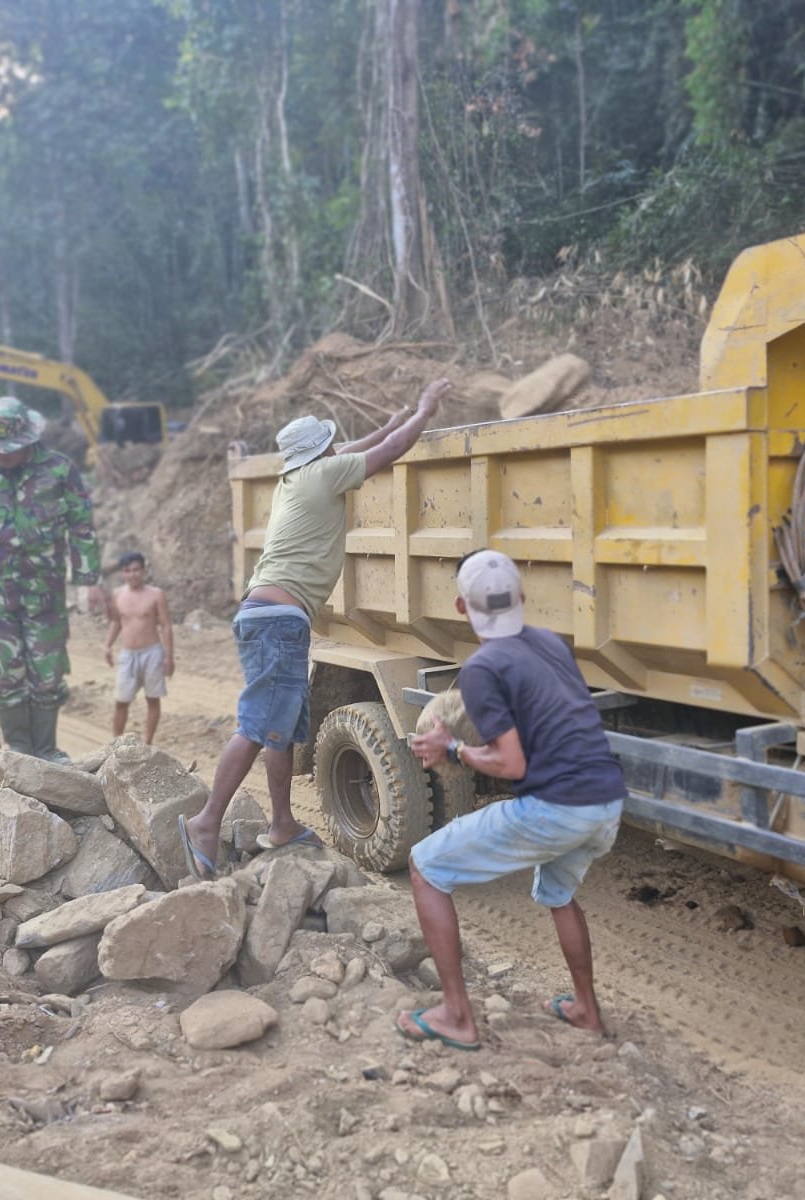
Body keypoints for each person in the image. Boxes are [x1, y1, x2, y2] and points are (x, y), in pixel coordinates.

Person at [177, 378, 450, 879]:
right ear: (321, 452)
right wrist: (424, 412)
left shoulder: (299, 478)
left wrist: (391, 421)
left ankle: (282, 824)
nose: (335, 449)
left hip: (269, 617)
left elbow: (355, 447)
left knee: (279, 729)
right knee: (259, 726)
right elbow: (389, 451)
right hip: (278, 622)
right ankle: (205, 822)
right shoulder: (325, 475)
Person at [404, 549, 628, 1050]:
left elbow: (512, 765)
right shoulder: (550, 642)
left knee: (425, 867)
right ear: (522, 597)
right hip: (606, 800)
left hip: (557, 807)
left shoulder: (483, 668)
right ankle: (587, 1011)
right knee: (559, 894)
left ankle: (456, 1016)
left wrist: (452, 748)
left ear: (461, 607)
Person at [0, 395, 102, 763]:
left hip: (45, 594)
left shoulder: (59, 470)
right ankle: (20, 751)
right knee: (3, 675)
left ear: (28, 440)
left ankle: (46, 749)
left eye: (8, 450)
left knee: (47, 673)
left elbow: (82, 527)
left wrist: (89, 581)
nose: (2, 456)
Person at [104, 550, 175, 743]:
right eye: (127, 571)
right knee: (121, 701)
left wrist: (169, 656)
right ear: (122, 573)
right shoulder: (117, 594)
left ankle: (148, 742)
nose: (132, 574)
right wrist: (108, 645)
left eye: (136, 570)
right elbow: (116, 622)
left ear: (143, 571)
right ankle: (116, 743)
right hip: (128, 654)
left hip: (152, 653)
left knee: (152, 698)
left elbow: (166, 626)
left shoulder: (156, 595)